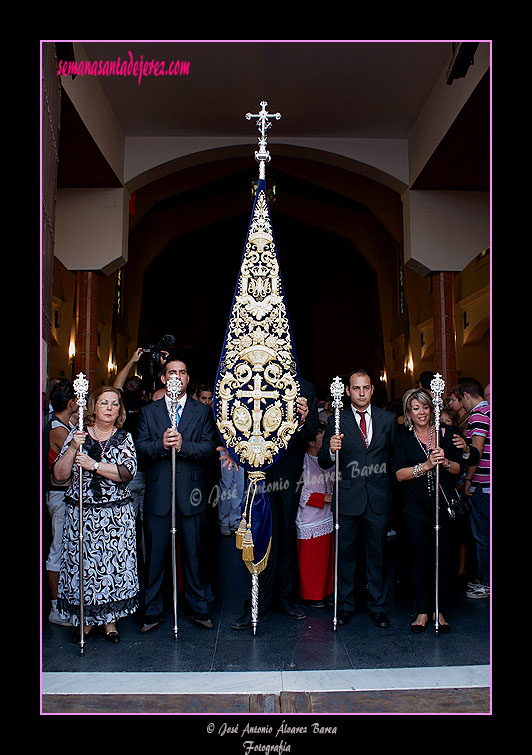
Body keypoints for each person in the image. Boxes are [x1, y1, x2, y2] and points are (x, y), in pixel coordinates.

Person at [136, 354, 218, 632]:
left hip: (191, 493)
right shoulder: (150, 412)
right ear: (163, 378)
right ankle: (153, 610)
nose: (177, 377)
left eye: (182, 373)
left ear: (187, 378)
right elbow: (141, 452)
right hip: (159, 495)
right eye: (172, 373)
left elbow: (208, 448)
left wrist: (183, 445)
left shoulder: (202, 411)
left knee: (194, 555)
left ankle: (199, 607)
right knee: (156, 556)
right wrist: (161, 445)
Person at [230, 379, 319, 630]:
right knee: (259, 534)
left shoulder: (304, 387)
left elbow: (311, 433)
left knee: (285, 536)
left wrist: (303, 419)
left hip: (289, 473)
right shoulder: (251, 379)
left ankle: (284, 597)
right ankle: (257, 602)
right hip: (259, 471)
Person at [53, 386, 139, 643]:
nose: (110, 408)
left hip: (115, 517)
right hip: (83, 515)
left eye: (114, 404)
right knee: (84, 566)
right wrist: (72, 449)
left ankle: (110, 622)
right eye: (104, 403)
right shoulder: (77, 434)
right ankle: (86, 620)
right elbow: (59, 476)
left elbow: (127, 472)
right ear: (94, 407)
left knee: (112, 567)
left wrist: (95, 465)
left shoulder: (124, 438)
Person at [318, 369, 397, 629]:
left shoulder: (387, 419)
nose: (361, 393)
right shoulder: (336, 420)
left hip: (378, 498)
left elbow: (393, 459)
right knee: (346, 556)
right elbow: (323, 460)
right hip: (348, 498)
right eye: (356, 388)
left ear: (372, 389)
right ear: (348, 391)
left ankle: (378, 607)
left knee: (378, 555)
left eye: (365, 388)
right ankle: (345, 606)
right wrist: (331, 449)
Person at [393, 387, 463, 633]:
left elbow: (458, 469)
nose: (421, 412)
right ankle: (423, 611)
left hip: (442, 508)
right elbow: (399, 474)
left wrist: (444, 461)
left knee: (443, 558)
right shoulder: (402, 438)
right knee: (419, 559)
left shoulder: (447, 433)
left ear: (432, 409)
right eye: (416, 408)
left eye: (425, 407)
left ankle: (439, 610)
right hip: (414, 508)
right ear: (408, 413)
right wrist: (424, 466)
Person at [43, 379, 78, 626]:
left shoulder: (63, 423)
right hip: (59, 494)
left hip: (64, 494)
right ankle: (55, 607)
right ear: (70, 403)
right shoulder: (59, 429)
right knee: (58, 550)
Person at [295, 421, 335, 606]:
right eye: (322, 437)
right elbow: (300, 493)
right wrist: (326, 498)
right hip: (310, 519)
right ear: (311, 442)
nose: (326, 441)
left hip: (327, 517)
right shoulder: (302, 461)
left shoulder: (328, 460)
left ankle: (326, 592)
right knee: (312, 563)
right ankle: (311, 595)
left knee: (325, 561)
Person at [459, 377, 490, 600]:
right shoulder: (489, 411)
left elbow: (476, 451)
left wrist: (468, 480)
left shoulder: (479, 415)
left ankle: (486, 583)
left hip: (481, 483)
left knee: (482, 535)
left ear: (467, 396)